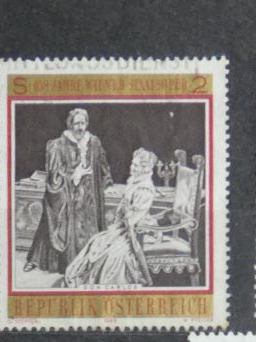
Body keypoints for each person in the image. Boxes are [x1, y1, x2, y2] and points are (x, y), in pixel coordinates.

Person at [24, 107, 111, 277]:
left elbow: (103, 165)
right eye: (76, 123)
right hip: (67, 196)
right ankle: (39, 260)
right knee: (53, 222)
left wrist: (108, 183)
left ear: (87, 124)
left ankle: (87, 263)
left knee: (88, 227)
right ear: (70, 124)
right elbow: (54, 176)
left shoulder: (94, 142)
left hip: (89, 196)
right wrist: (74, 176)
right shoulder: (58, 145)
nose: (80, 127)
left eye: (83, 123)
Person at [60, 146, 158, 289]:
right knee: (97, 241)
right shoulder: (135, 182)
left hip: (137, 230)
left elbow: (133, 219)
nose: (132, 167)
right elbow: (124, 209)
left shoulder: (145, 189)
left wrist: (122, 230)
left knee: (112, 255)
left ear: (144, 169)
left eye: (136, 166)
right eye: (132, 164)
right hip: (125, 226)